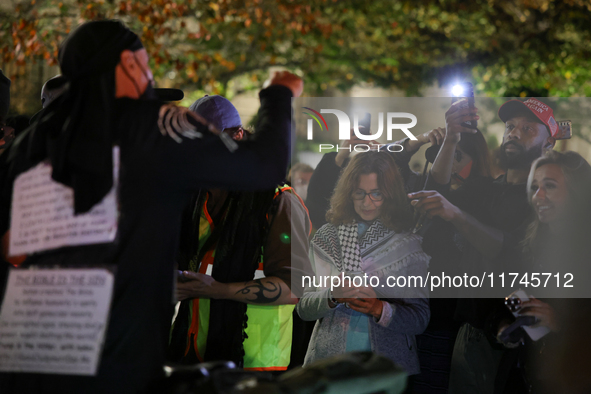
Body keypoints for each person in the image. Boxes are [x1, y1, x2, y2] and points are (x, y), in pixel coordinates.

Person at [0, 20, 302, 394]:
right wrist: (279, 96)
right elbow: (265, 166)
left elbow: (11, 247)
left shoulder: (28, 143)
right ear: (129, 63)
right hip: (116, 359)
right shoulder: (157, 124)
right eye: (145, 63)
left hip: (28, 352)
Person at [409, 98, 558, 394]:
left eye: (529, 128)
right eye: (510, 126)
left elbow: (510, 251)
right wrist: (451, 138)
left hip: (523, 337)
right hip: (474, 331)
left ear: (549, 145)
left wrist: (458, 215)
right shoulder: (483, 189)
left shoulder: (544, 202)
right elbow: (436, 191)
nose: (515, 133)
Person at [168, 95, 311, 372]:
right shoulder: (196, 196)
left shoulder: (278, 200)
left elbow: (296, 287)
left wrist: (220, 290)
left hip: (255, 365)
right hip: (190, 355)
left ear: (238, 135)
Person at [296, 151, 430, 378]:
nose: (367, 202)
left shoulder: (407, 243)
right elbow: (303, 308)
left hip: (386, 369)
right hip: (329, 367)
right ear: (348, 193)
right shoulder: (327, 237)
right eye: (360, 193)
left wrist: (379, 309)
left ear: (390, 194)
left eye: (376, 193)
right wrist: (331, 296)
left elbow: (419, 319)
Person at [493, 150, 591, 393]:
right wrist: (503, 325)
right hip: (530, 374)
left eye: (550, 186)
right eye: (535, 186)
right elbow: (505, 293)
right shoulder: (530, 239)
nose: (539, 195)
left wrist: (559, 322)